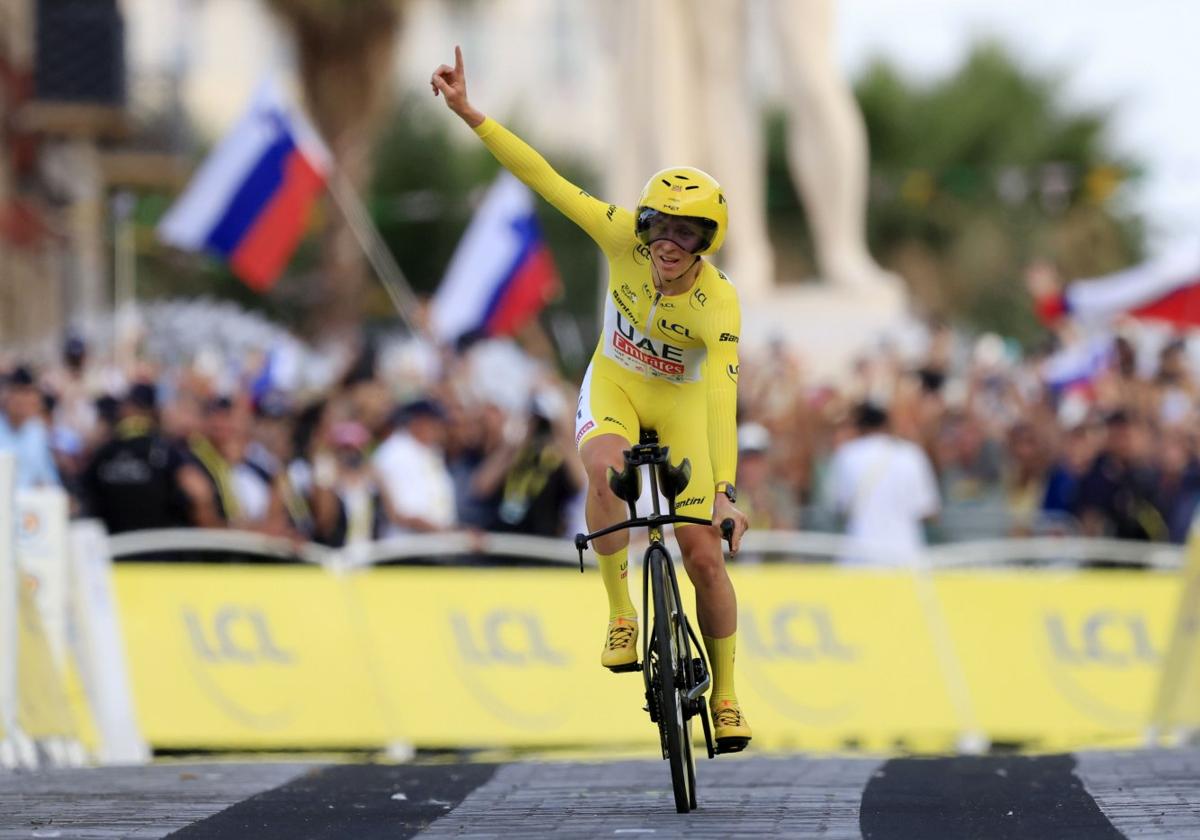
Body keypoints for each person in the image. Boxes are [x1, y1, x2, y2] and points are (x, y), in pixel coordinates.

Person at [432, 46, 752, 750]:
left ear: (707, 241)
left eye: (687, 233)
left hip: (682, 408)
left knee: (703, 555)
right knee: (605, 471)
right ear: (643, 226)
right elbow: (545, 178)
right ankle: (619, 615)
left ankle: (726, 695)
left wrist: (725, 491)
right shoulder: (618, 237)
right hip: (613, 382)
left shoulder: (717, 304)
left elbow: (723, 401)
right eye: (661, 227)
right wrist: (471, 115)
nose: (670, 244)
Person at [81, 382, 219, 532]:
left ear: (125, 408)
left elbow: (83, 498)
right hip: (162, 548)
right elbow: (199, 493)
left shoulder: (102, 451)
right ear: (154, 411)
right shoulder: (168, 450)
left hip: (116, 548)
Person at [826, 402, 940, 566]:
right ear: (887, 424)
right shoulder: (911, 455)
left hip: (860, 558)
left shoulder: (847, 455)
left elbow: (838, 507)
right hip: (905, 557)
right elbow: (929, 511)